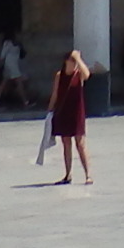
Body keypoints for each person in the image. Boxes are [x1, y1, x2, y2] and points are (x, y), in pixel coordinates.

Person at [47, 49, 93, 185]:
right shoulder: (59, 75)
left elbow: (87, 75)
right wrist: (50, 111)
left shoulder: (79, 75)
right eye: (72, 60)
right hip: (63, 112)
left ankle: (88, 175)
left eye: (75, 61)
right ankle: (68, 174)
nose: (74, 63)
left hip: (77, 112)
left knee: (80, 144)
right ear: (66, 61)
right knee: (66, 143)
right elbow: (55, 94)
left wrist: (78, 58)